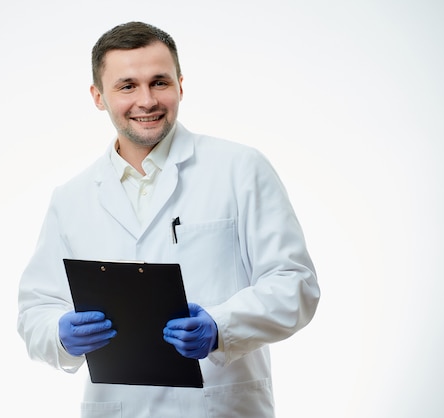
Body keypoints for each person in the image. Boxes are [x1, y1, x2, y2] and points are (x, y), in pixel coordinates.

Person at [17, 21, 320, 418]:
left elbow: (295, 284)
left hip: (220, 406)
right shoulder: (72, 198)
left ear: (180, 84)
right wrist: (59, 334)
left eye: (159, 82)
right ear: (98, 96)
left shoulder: (240, 169)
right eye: (127, 86)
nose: (147, 100)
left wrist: (221, 326)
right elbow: (34, 310)